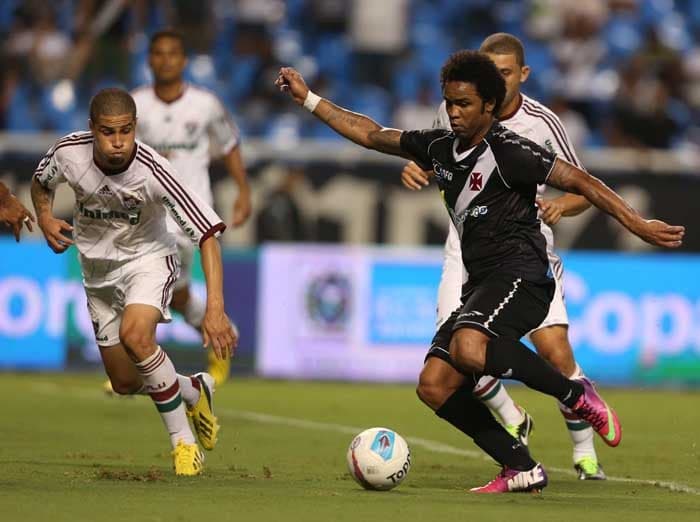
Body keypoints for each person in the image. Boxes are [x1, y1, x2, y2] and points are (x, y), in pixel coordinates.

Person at [275, 52, 684, 492]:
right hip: (482, 283)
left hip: (525, 275)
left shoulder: (511, 151)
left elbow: (583, 182)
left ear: (489, 105)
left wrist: (638, 224)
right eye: (449, 102)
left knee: (471, 348)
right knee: (434, 384)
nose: (453, 112)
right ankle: (520, 467)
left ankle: (576, 394)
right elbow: (373, 134)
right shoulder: (438, 147)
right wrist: (309, 100)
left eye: (464, 104)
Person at [401, 33, 604, 480]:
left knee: (553, 349)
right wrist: (416, 163)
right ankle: (513, 421)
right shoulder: (455, 108)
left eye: (506, 73)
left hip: (523, 245)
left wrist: (560, 206)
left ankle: (584, 449)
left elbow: (583, 187)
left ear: (521, 75)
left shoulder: (543, 123)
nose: (496, 80)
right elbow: (436, 153)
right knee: (457, 351)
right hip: (465, 246)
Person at [31, 88, 237, 476]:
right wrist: (44, 216)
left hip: (148, 262)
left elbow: (208, 232)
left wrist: (215, 307)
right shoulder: (67, 153)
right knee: (125, 381)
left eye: (126, 131)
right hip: (97, 274)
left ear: (135, 127)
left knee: (137, 337)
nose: (118, 141)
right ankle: (194, 389)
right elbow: (41, 183)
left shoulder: (153, 170)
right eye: (108, 132)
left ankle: (184, 446)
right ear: (92, 129)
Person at [130, 29, 252, 386]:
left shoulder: (205, 104)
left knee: (156, 287)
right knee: (176, 295)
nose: (165, 60)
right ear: (149, 59)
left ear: (183, 61)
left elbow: (229, 144)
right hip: (149, 211)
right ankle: (222, 332)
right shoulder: (135, 105)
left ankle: (138, 367)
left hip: (191, 213)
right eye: (158, 53)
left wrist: (243, 191)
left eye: (172, 53)